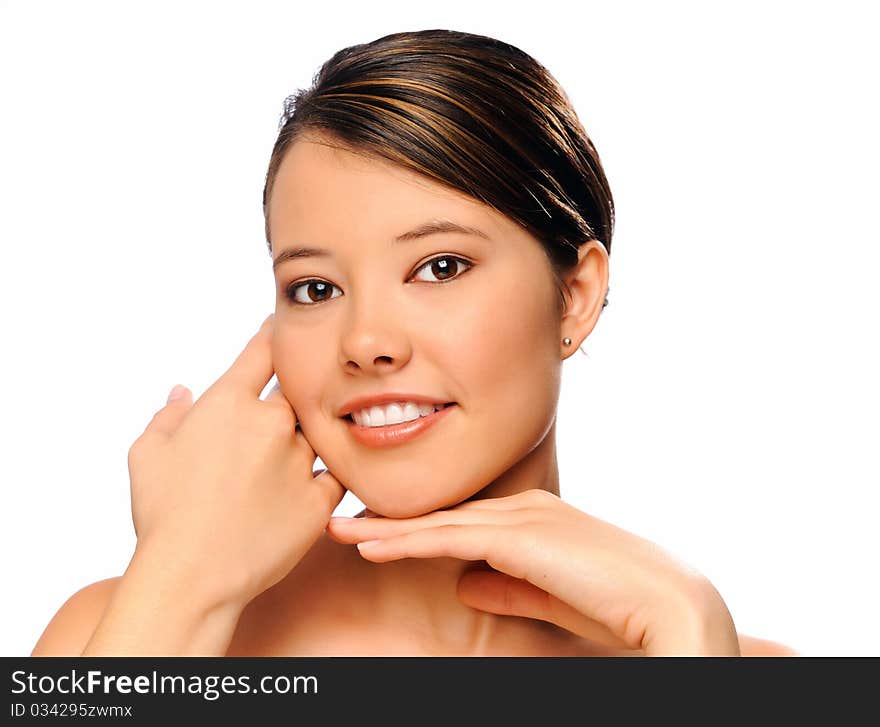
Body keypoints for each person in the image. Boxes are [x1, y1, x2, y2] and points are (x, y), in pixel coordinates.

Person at [32, 29, 797, 657]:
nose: (365, 342)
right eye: (315, 288)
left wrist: (690, 638)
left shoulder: (727, 661)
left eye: (439, 267)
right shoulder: (112, 639)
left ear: (575, 293)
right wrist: (184, 581)